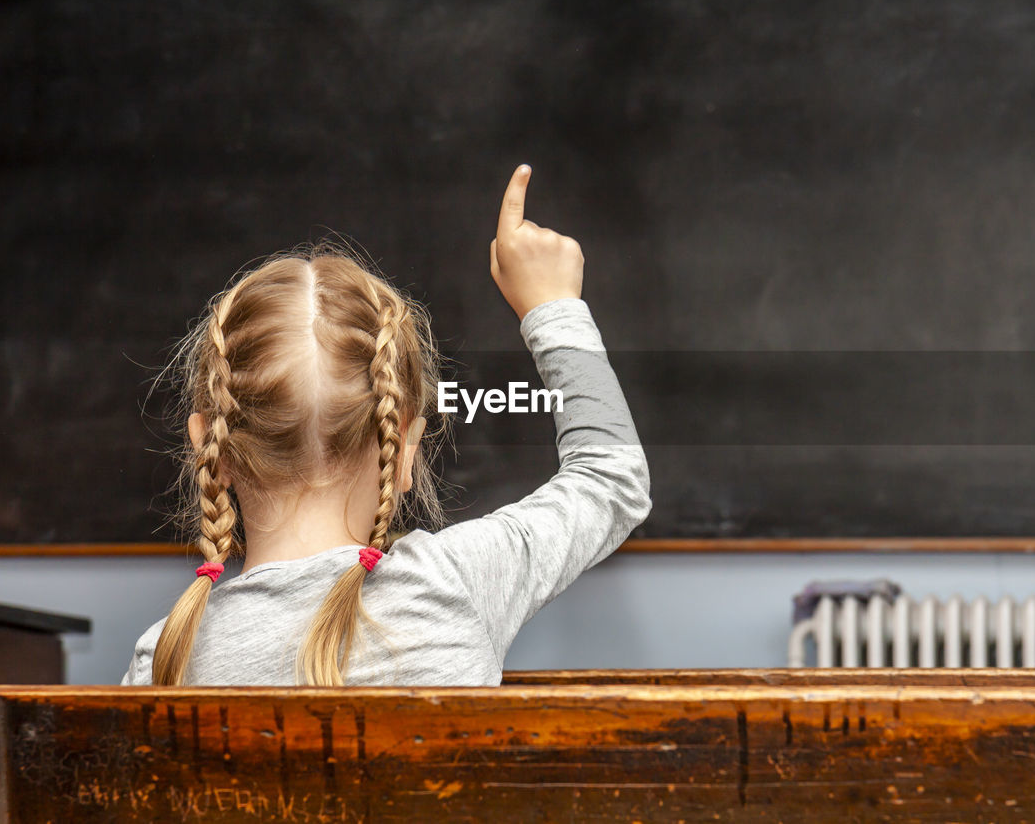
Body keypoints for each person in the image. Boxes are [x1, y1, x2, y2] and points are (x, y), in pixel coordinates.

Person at [121, 165, 651, 685]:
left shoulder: (161, 660)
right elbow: (609, 479)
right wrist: (553, 306)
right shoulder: (451, 583)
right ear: (405, 452)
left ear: (210, 451)